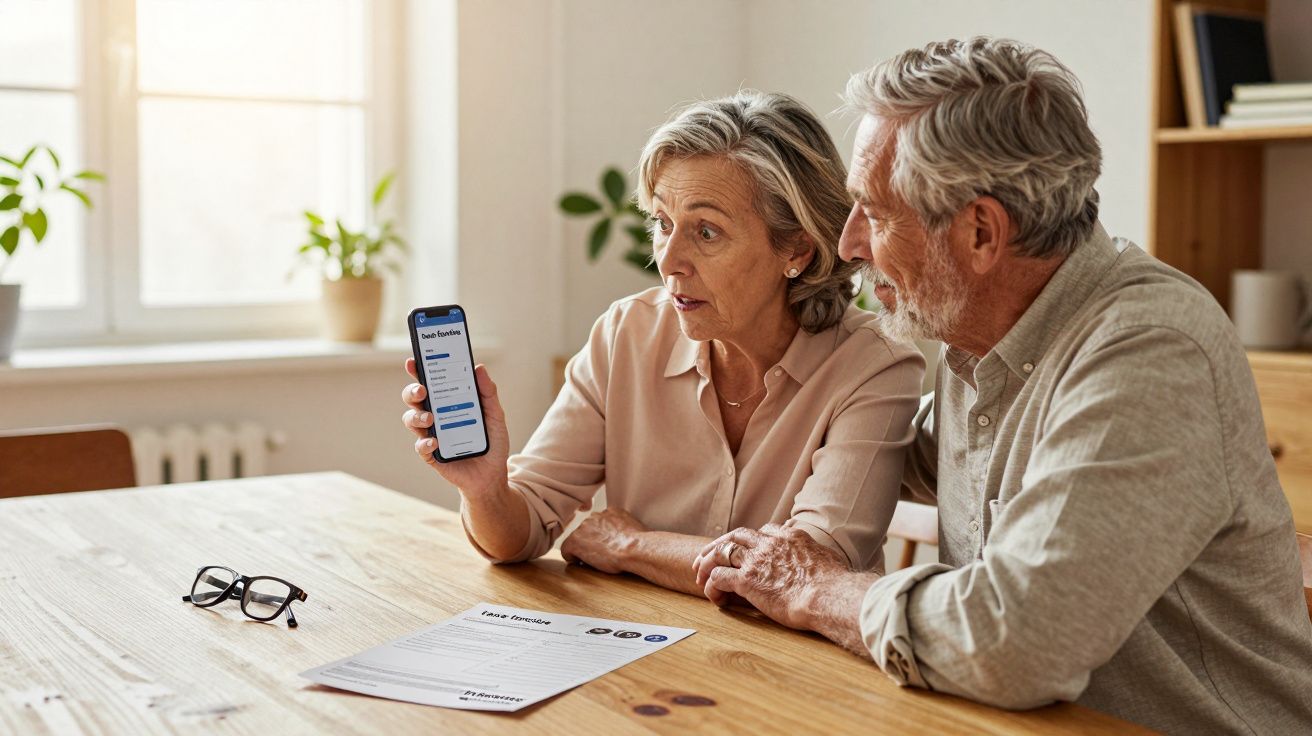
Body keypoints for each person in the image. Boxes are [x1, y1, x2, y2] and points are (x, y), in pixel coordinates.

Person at [694, 38, 1312, 733]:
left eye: (876, 213)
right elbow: (861, 440)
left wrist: (815, 588)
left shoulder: (1151, 348)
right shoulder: (980, 345)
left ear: (981, 233)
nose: (849, 245)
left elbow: (1014, 644)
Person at [401, 91, 924, 596]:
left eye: (707, 232)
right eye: (662, 223)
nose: (669, 260)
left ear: (797, 250)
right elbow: (520, 535)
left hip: (789, 675)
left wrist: (633, 546)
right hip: (647, 657)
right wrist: (486, 488)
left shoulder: (875, 367)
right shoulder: (626, 333)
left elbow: (806, 572)